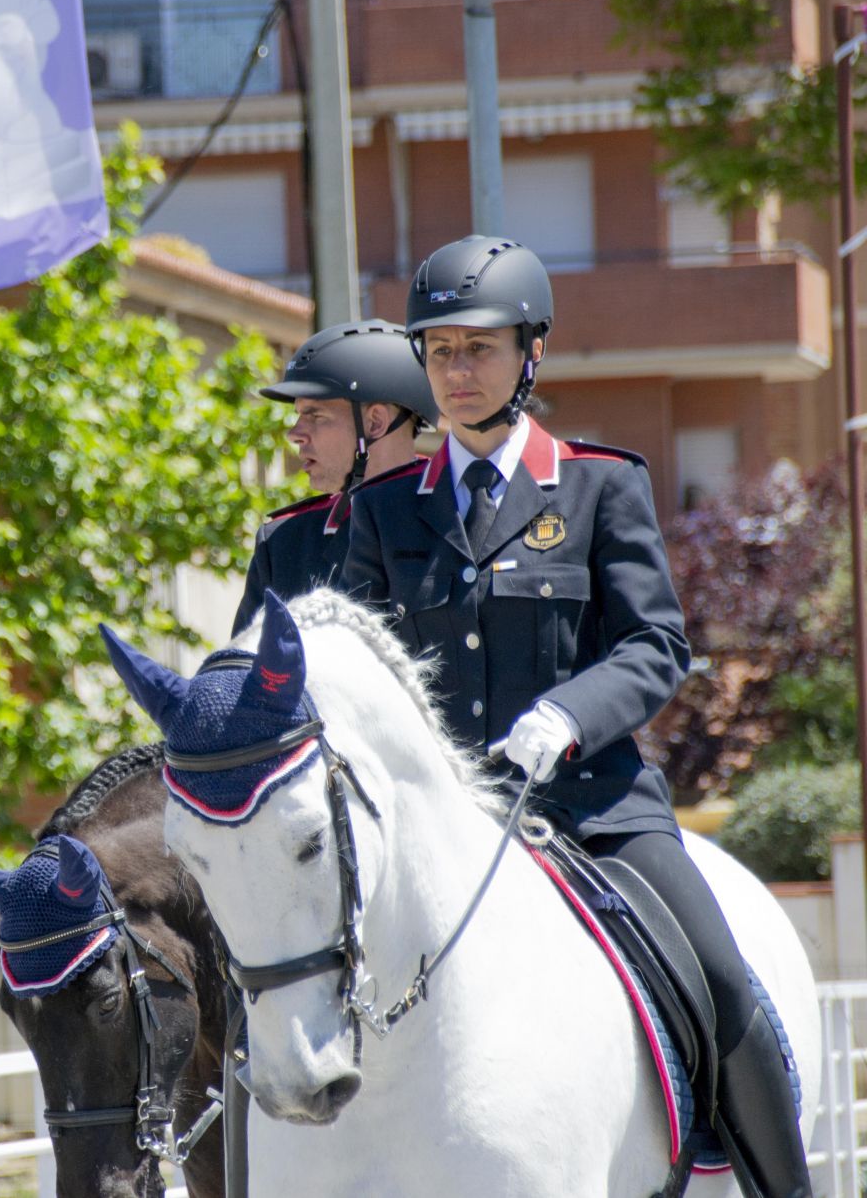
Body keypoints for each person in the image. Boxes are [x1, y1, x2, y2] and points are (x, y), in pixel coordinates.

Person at [336, 236, 810, 1198]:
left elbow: (655, 645)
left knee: (719, 980)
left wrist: (568, 712)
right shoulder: (385, 514)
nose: (457, 372)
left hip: (593, 805)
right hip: (442, 823)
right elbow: (355, 669)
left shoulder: (601, 484)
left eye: (478, 348)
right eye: (439, 352)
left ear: (530, 353)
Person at [231, 319, 439, 636]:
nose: (295, 434)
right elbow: (244, 674)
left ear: (375, 423)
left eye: (315, 415)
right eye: (298, 415)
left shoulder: (456, 521)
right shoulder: (284, 544)